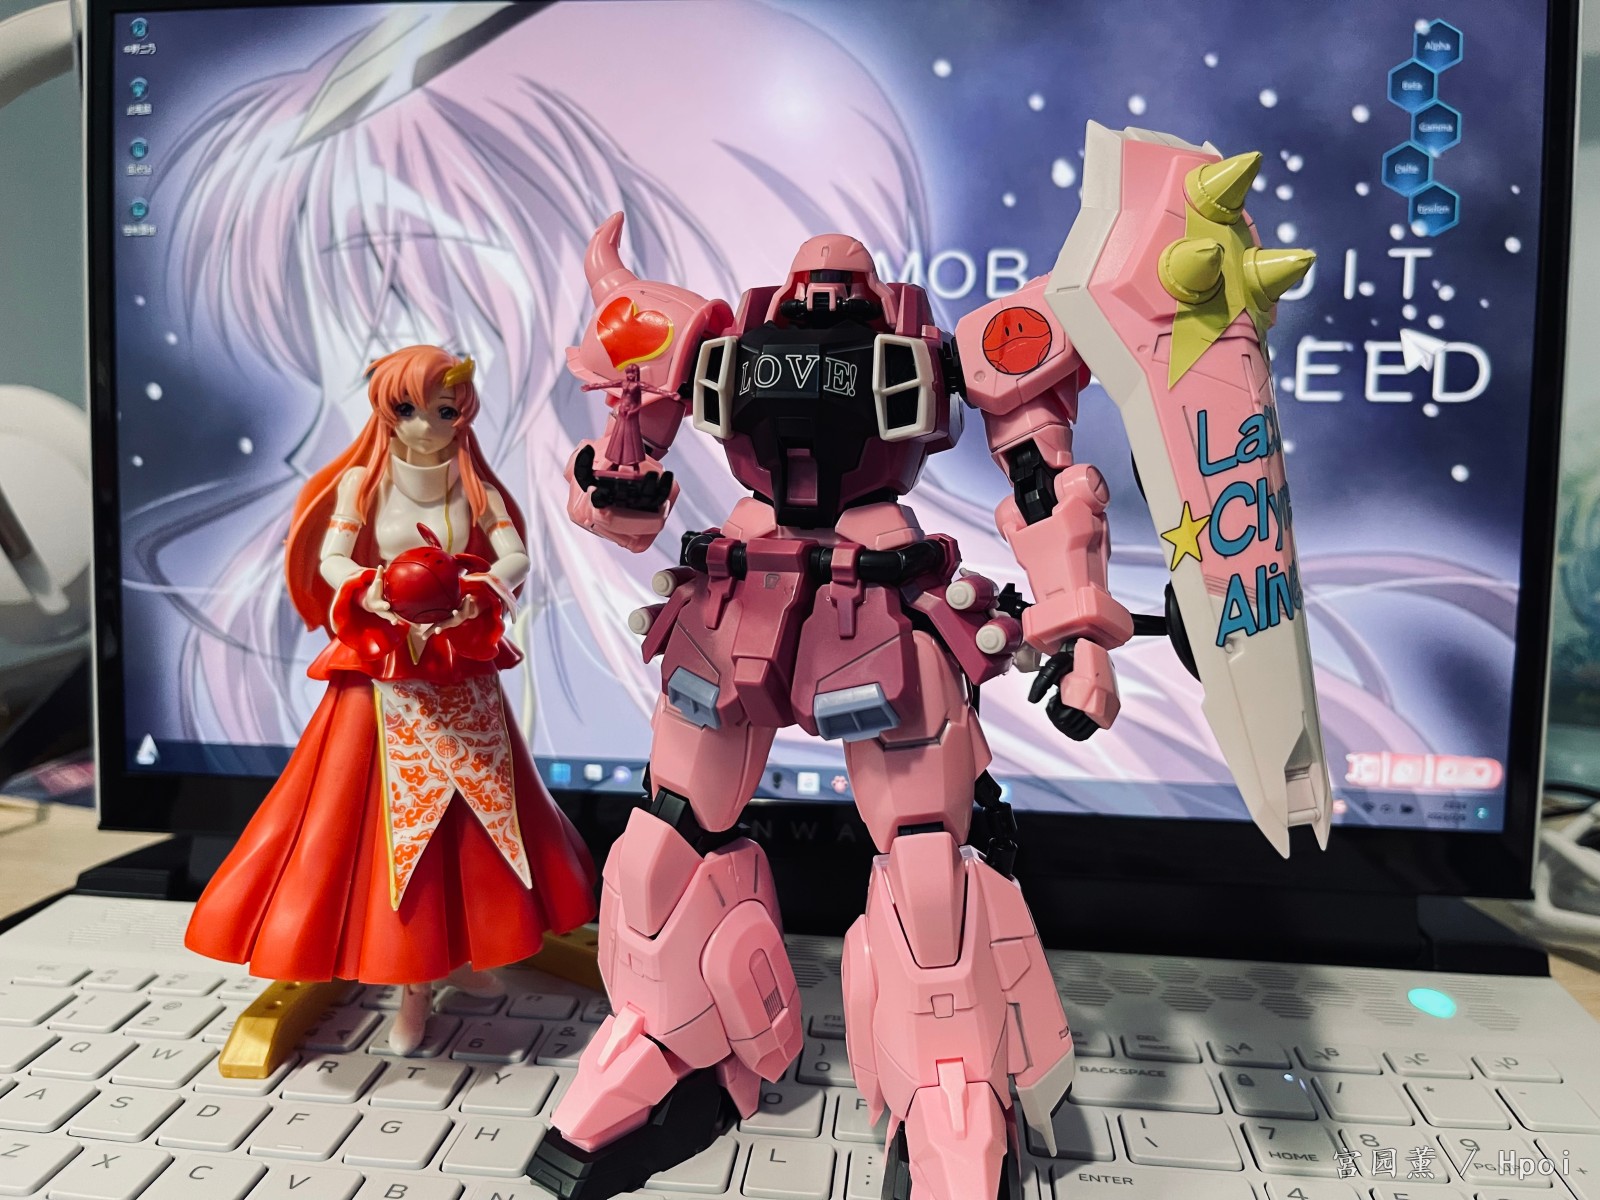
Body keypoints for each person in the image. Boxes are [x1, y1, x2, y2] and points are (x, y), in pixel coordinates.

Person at [184, 345, 596, 1053]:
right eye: (408, 409)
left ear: (463, 412)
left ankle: (463, 955)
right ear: (386, 410)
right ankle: (411, 984)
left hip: (458, 667)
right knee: (389, 834)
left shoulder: (475, 487)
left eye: (444, 410)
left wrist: (481, 588)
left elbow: (515, 554)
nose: (426, 425)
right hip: (385, 674)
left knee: (473, 823)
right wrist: (371, 588)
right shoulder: (364, 484)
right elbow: (332, 558)